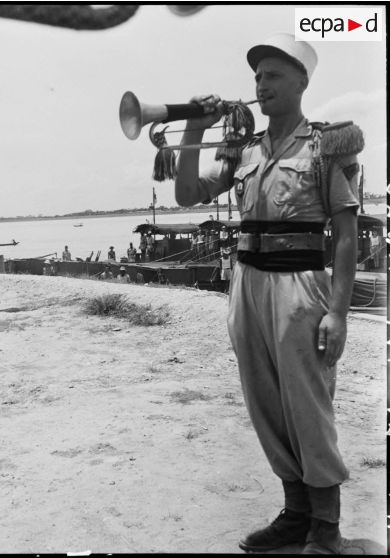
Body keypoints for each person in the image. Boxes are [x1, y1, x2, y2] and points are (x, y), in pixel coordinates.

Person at [175, 33, 361, 555]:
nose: (262, 84)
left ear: (302, 82)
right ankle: (296, 513)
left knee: (308, 406)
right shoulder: (245, 148)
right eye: (257, 76)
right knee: (265, 405)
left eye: (274, 75)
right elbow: (188, 193)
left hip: (301, 288)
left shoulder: (329, 144)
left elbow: (345, 236)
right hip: (246, 287)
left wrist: (339, 314)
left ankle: (326, 530)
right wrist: (194, 128)